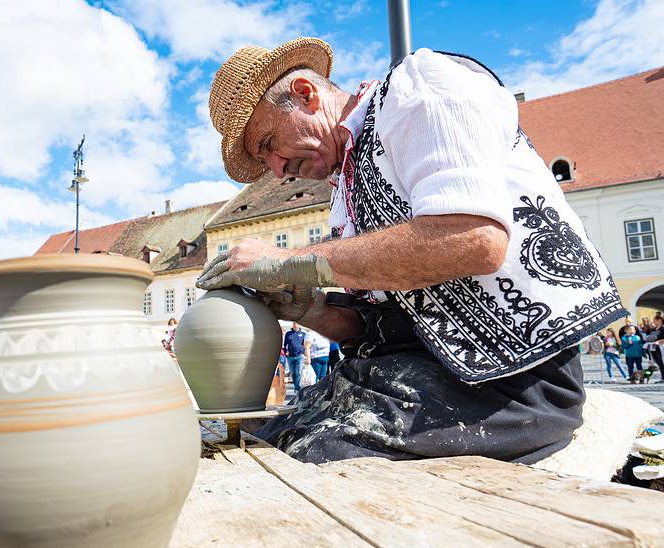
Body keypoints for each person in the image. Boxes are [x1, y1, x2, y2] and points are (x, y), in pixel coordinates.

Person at [198, 38, 626, 465]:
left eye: (270, 143)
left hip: (512, 384)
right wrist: (311, 312)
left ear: (305, 95)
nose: (276, 169)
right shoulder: (345, 190)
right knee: (268, 438)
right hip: (416, 374)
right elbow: (381, 327)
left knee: (310, 459)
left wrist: (286, 263)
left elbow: (472, 239)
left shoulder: (419, 88)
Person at [283, 323, 307, 392]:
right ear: (292, 325)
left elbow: (305, 345)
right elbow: (285, 344)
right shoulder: (288, 333)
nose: (295, 326)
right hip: (290, 356)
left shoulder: (303, 334)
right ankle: (296, 385)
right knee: (293, 373)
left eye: (296, 324)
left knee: (298, 372)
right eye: (294, 324)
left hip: (300, 356)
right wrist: (286, 351)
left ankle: (297, 388)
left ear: (299, 325)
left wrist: (305, 353)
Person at [644, 315, 664, 383]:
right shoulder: (653, 329)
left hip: (661, 348)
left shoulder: (663, 328)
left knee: (662, 363)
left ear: (659, 320)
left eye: (655, 320)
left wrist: (658, 341)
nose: (653, 322)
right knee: (659, 364)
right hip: (653, 348)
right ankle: (662, 377)